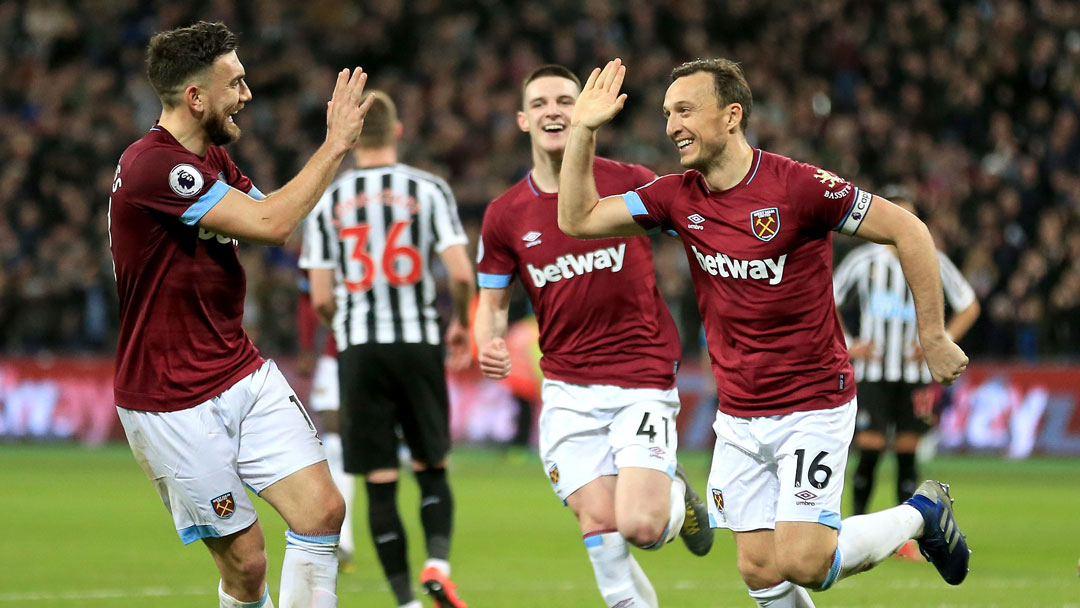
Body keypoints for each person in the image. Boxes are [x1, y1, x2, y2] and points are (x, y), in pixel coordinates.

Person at [558, 58, 971, 608]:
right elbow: (579, 218)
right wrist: (583, 130)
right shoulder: (676, 196)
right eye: (665, 114)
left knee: (803, 560)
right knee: (758, 570)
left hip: (812, 403)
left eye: (684, 110)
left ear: (732, 115)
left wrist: (933, 334)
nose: (670, 126)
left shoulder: (799, 187)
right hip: (739, 413)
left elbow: (907, 229)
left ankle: (920, 515)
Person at [108, 21, 375, 608]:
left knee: (324, 510)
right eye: (235, 82)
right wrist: (334, 146)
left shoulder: (214, 161)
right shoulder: (157, 166)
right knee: (247, 566)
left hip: (238, 370)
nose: (247, 94)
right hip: (171, 397)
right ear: (196, 97)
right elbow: (271, 224)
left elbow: (275, 214)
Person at [474, 64, 713, 608]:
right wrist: (489, 339)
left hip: (641, 379)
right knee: (599, 522)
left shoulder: (631, 181)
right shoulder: (504, 215)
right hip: (566, 390)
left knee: (641, 527)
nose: (553, 110)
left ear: (584, 110)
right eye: (540, 103)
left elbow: (702, 232)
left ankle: (676, 497)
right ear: (522, 119)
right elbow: (492, 301)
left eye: (564, 99)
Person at [299, 90, 475, 608]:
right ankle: (438, 565)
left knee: (377, 482)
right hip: (419, 343)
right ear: (398, 132)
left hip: (359, 351)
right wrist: (461, 323)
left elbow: (323, 296)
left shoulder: (327, 199)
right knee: (431, 466)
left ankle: (406, 602)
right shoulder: (429, 189)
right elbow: (461, 273)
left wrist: (346, 319)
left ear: (352, 139)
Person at [832, 187, 980, 539]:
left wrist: (942, 341)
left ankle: (903, 539)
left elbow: (969, 304)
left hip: (914, 374)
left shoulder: (932, 258)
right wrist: (850, 344)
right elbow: (827, 298)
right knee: (869, 448)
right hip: (873, 372)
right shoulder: (864, 260)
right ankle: (854, 529)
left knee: (906, 453)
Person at [296, 281, 356, 571]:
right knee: (335, 441)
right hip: (337, 353)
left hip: (364, 353)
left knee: (345, 443)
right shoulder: (324, 239)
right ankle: (342, 540)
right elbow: (309, 300)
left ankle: (343, 539)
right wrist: (307, 347)